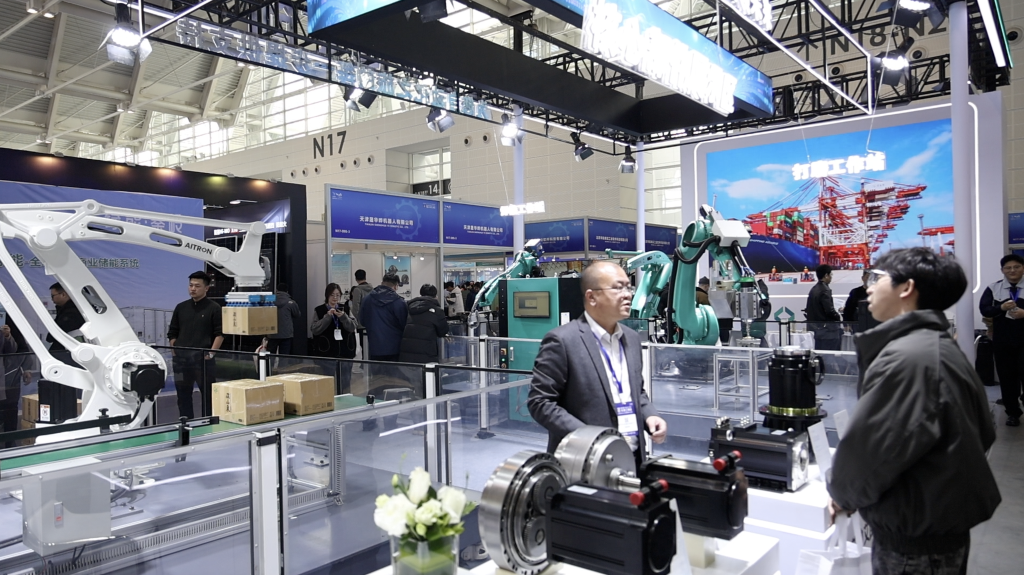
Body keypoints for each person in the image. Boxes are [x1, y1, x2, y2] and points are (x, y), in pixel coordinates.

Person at [829, 248, 1000, 575]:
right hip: (935, 525)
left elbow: (873, 451)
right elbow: (984, 431)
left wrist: (844, 494)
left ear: (906, 288)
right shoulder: (936, 347)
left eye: (876, 278)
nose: (868, 287)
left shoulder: (911, 359)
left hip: (913, 547)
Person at [527, 260, 668, 461]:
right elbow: (540, 402)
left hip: (631, 458)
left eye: (628, 287)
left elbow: (636, 391)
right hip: (583, 461)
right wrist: (589, 438)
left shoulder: (632, 339)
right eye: (618, 288)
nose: (628, 294)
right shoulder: (563, 341)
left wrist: (650, 415)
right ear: (592, 297)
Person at [167, 271, 223, 420]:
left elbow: (220, 334)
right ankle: (186, 423)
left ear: (206, 288)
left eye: (197, 286)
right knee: (182, 395)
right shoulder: (181, 307)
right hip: (180, 361)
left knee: (208, 395)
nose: (193, 289)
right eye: (191, 285)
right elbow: (172, 332)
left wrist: (211, 354)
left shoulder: (214, 308)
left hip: (203, 361)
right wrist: (174, 350)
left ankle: (208, 423)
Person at [979, 253, 1024, 426]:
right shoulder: (993, 288)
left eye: (1016, 267)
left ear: (1023, 268)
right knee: (1007, 378)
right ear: (1002, 270)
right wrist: (1001, 307)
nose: (1012, 270)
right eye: (1008, 268)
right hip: (1003, 341)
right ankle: (1012, 413)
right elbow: (985, 309)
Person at [311, 283, 357, 393]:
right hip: (326, 353)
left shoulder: (345, 309)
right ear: (327, 296)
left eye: (337, 295)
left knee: (345, 383)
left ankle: (345, 400)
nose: (335, 298)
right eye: (332, 295)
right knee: (326, 384)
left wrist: (344, 317)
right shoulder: (319, 310)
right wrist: (327, 317)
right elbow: (314, 329)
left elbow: (353, 326)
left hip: (345, 352)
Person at [359, 273, 408, 361]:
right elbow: (404, 324)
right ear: (396, 286)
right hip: (395, 348)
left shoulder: (367, 299)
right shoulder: (398, 302)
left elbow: (362, 321)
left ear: (382, 283)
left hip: (374, 347)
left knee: (376, 370)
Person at [399, 284, 449, 364]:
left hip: (407, 352)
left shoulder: (409, 308)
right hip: (427, 352)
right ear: (435, 296)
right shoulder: (437, 311)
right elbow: (443, 331)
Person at [805, 264, 842, 350]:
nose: (831, 277)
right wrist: (838, 317)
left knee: (820, 353)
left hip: (817, 329)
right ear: (826, 275)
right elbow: (829, 310)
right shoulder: (825, 290)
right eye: (830, 275)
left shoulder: (814, 289)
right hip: (828, 331)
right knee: (830, 354)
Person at [46, 282, 85, 361]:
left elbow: (57, 332)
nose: (52, 299)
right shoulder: (65, 309)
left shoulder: (72, 312)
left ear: (63, 294)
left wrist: (50, 336)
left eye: (53, 296)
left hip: (70, 354)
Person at [266, 283, 302, 355]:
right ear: (287, 291)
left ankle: (270, 363)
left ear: (276, 290)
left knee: (270, 356)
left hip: (272, 333)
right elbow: (297, 315)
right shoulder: (291, 303)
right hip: (286, 334)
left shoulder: (269, 301)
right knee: (284, 356)